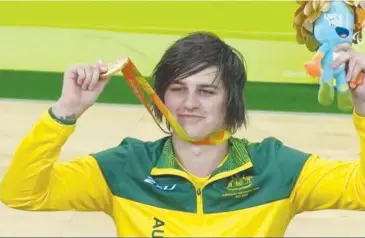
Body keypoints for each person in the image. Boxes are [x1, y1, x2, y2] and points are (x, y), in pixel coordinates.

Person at [0, 31, 365, 237]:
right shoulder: (125, 167)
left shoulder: (278, 168)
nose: (189, 103)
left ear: (232, 102)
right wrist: (65, 112)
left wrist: (363, 109)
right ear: (158, 95)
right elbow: (22, 194)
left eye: (207, 91)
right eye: (177, 88)